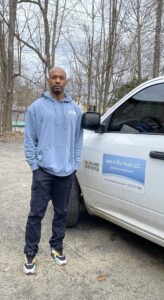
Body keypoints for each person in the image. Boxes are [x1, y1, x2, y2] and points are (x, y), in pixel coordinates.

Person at [23, 67, 83, 275]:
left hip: (66, 172)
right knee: (36, 214)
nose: (57, 80)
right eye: (53, 77)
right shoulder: (36, 108)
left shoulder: (75, 110)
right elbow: (29, 140)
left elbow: (78, 141)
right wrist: (35, 166)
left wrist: (74, 165)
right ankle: (30, 251)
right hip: (43, 172)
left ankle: (56, 247)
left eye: (61, 78)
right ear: (48, 80)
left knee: (61, 213)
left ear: (66, 81)